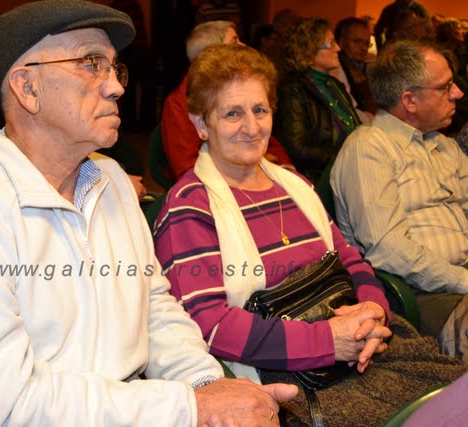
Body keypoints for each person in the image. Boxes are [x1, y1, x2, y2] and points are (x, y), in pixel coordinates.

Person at [0, 1, 298, 425]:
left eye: (114, 68)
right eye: (91, 64)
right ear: (28, 88)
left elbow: (154, 310)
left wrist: (207, 387)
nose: (115, 86)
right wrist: (191, 407)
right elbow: (6, 408)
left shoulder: (110, 180)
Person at [153, 42, 466, 427]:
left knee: (456, 395)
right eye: (232, 113)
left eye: (260, 110)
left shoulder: (294, 185)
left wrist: (373, 309)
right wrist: (327, 341)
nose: (251, 127)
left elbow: (350, 259)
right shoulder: (190, 208)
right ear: (201, 124)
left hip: (357, 346)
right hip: (286, 378)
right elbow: (210, 325)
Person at [330, 39, 468, 360]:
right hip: (420, 294)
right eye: (445, 87)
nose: (458, 93)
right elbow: (389, 249)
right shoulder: (369, 148)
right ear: (410, 100)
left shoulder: (444, 145)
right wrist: (463, 279)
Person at [161, 20, 292, 181]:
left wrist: (284, 167)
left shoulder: (244, 91)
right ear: (211, 55)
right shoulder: (178, 103)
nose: (243, 46)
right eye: (234, 42)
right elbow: (186, 168)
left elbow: (268, 141)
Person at [274, 17, 361, 184]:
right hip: (318, 178)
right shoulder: (293, 89)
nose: (338, 48)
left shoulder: (335, 85)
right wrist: (345, 156)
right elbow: (297, 148)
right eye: (331, 43)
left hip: (348, 170)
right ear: (309, 50)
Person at [334, 17, 378, 115]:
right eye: (357, 41)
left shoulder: (366, 67)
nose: (363, 48)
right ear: (341, 42)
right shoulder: (335, 68)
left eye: (367, 43)